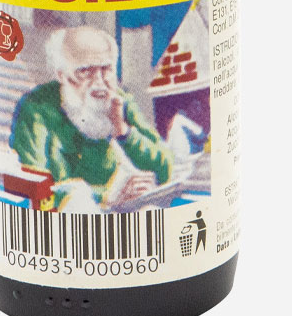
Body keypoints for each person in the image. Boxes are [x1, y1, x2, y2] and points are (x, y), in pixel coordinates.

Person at [9, 26, 172, 211]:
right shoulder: (36, 108)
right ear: (61, 75)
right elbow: (33, 183)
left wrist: (123, 132)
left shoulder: (119, 101)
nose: (99, 82)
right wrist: (108, 195)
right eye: (85, 71)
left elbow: (165, 166)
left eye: (106, 69)